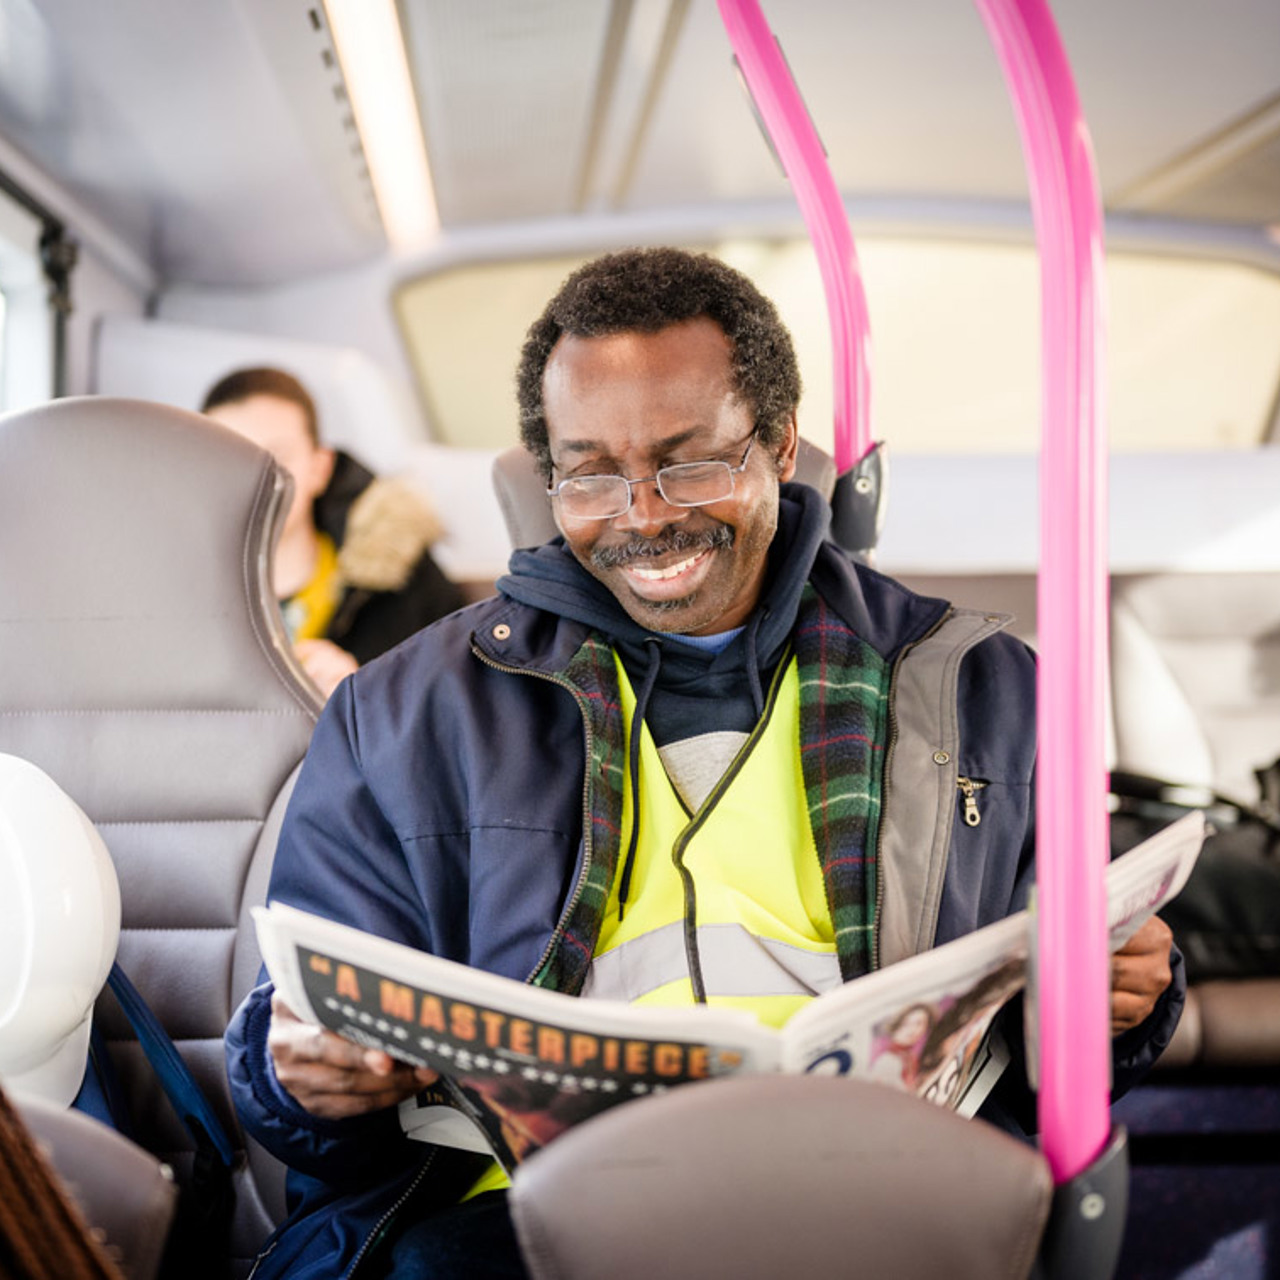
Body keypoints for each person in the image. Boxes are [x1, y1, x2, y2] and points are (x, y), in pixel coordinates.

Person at [226, 248, 1184, 1279]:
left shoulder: (981, 686)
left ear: (775, 443)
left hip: (881, 1182)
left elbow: (1069, 1045)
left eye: (688, 461)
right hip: (526, 1209)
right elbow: (307, 1032)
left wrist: (1128, 995)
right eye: (590, 472)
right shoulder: (401, 712)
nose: (642, 513)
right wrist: (298, 1073)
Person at [201, 367, 464, 698]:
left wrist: (366, 700)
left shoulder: (407, 587)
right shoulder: (168, 599)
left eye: (276, 458)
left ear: (319, 468)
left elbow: (458, 716)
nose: (252, 481)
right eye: (229, 459)